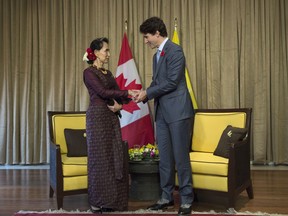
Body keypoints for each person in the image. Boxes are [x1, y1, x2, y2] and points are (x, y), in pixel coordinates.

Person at [136, 17, 194, 215]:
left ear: (157, 34)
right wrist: (143, 93)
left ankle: (186, 200)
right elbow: (158, 83)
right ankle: (166, 197)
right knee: (165, 159)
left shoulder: (175, 50)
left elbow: (171, 82)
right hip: (162, 114)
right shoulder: (156, 57)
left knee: (180, 157)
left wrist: (148, 93)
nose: (145, 41)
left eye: (147, 37)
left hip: (178, 112)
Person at [82, 37, 135, 213]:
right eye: (106, 50)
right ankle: (97, 201)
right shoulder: (89, 73)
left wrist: (132, 96)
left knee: (114, 157)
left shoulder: (108, 73)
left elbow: (117, 95)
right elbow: (103, 92)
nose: (109, 54)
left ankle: (112, 201)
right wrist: (125, 93)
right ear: (96, 53)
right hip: (97, 119)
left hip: (111, 118)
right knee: (100, 160)